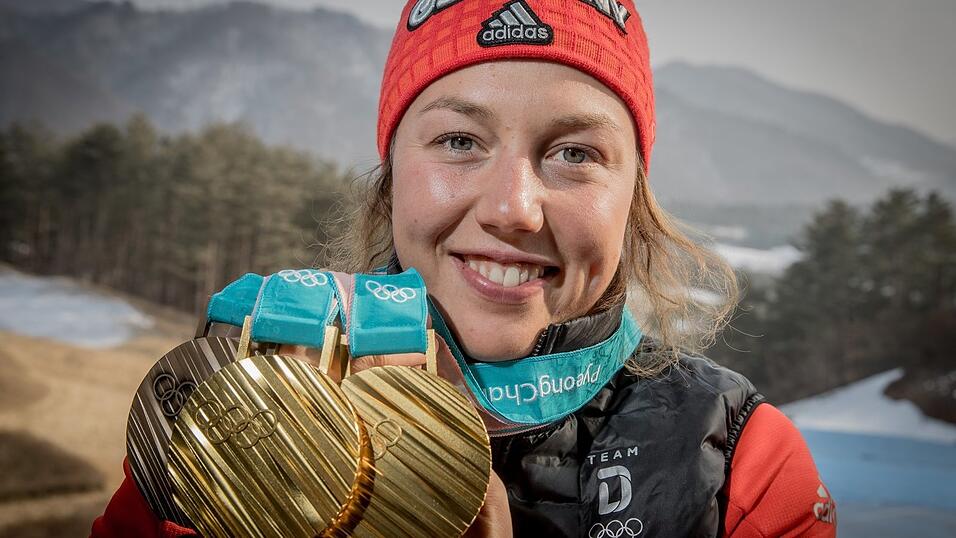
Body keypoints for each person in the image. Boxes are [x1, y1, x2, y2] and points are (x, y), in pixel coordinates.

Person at [92, 1, 837, 536]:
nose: (513, 208)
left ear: (633, 198)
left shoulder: (742, 459)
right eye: (458, 141)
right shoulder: (238, 408)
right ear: (390, 178)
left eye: (575, 153)